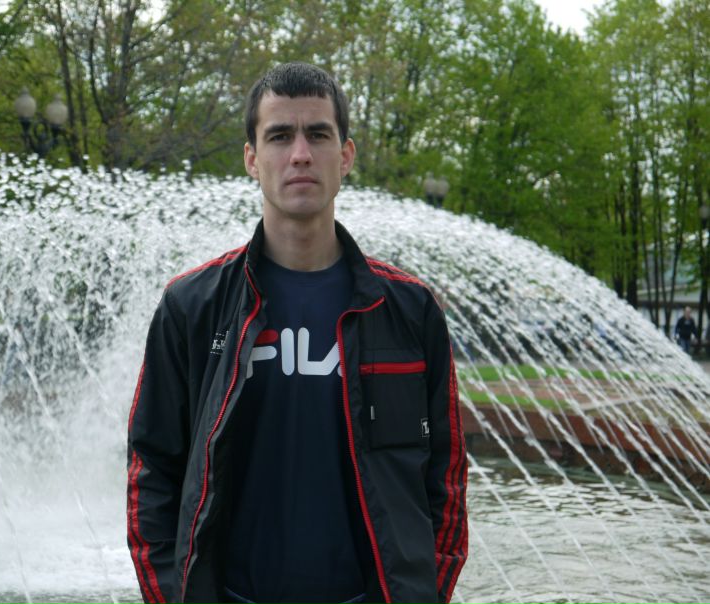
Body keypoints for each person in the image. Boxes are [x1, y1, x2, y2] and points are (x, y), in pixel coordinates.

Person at [126, 62, 468, 604]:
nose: (301, 153)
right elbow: (151, 470)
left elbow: (446, 479)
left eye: (319, 134)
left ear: (345, 155)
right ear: (252, 159)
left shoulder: (408, 309)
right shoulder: (192, 307)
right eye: (280, 136)